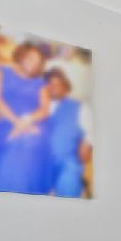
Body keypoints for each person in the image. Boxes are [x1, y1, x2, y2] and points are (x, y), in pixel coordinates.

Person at [0, 42, 52, 194]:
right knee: (19, 143)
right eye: (31, 58)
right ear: (22, 55)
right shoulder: (2, 71)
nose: (33, 63)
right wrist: (18, 123)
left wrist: (28, 120)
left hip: (34, 123)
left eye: (38, 62)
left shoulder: (40, 83)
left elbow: (45, 109)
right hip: (7, 123)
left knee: (28, 141)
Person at [44, 68, 89, 198]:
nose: (54, 87)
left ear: (66, 87)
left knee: (68, 187)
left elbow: (90, 132)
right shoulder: (39, 107)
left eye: (58, 84)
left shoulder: (80, 107)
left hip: (67, 162)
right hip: (41, 163)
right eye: (50, 84)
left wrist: (86, 143)